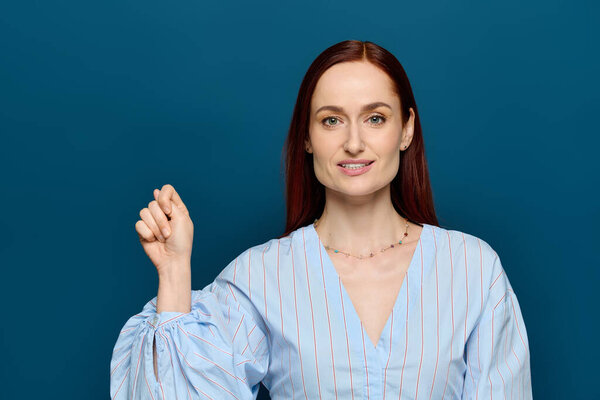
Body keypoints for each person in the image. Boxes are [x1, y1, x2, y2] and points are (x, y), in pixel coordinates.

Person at [110, 40, 533, 400]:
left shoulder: (473, 269)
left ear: (406, 130)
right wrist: (173, 272)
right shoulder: (260, 276)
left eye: (375, 118)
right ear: (307, 138)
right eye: (331, 120)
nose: (353, 142)